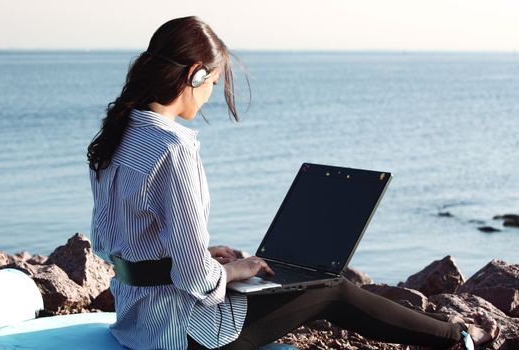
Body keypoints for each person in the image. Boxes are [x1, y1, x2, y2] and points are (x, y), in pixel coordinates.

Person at [87, 16, 497, 350]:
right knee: (332, 289)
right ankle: (457, 336)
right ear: (195, 75)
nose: (211, 94)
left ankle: (449, 332)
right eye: (213, 84)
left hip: (135, 322)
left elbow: (108, 243)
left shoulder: (117, 135)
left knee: (282, 278)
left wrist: (187, 257)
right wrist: (231, 270)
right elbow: (197, 282)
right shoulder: (174, 147)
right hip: (183, 335)